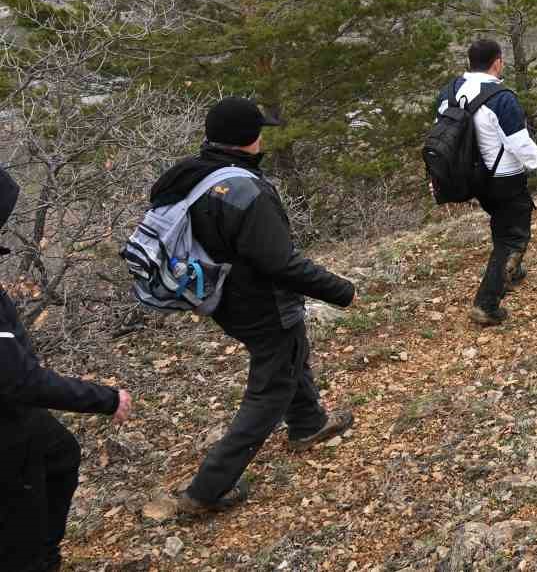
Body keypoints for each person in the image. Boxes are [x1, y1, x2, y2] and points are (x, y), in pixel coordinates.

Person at [150, 97, 357, 515]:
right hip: (261, 302)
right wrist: (341, 290)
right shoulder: (245, 189)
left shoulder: (191, 174)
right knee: (269, 388)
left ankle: (308, 423)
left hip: (219, 297)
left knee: (288, 355)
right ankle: (206, 490)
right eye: (259, 131)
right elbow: (281, 263)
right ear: (250, 139)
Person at [1, 164, 133, 572]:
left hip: (20, 418)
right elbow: (18, 380)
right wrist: (107, 399)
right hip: (6, 433)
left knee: (60, 452)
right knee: (18, 541)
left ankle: (44, 552)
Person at [437, 39, 537, 327]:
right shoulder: (502, 97)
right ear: (497, 62)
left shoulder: (449, 92)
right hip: (504, 178)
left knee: (502, 222)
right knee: (514, 237)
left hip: (472, 178)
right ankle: (486, 304)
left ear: (469, 62)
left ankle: (512, 272)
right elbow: (520, 145)